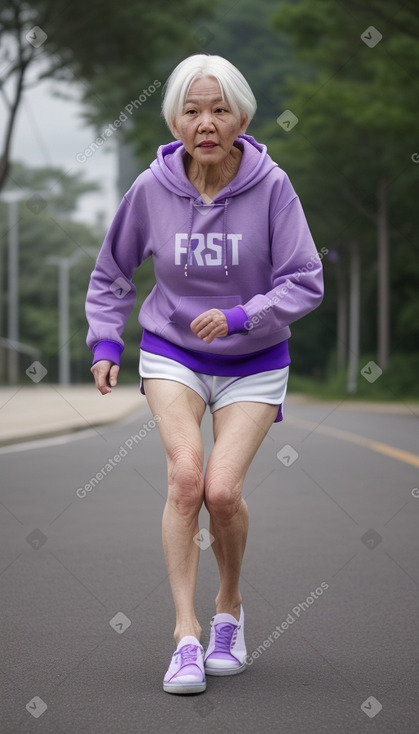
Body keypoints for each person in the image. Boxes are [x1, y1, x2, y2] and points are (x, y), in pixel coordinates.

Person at [85, 54, 324, 695]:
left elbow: (306, 280)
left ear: (241, 117)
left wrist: (246, 315)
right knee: (187, 478)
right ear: (174, 120)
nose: (206, 122)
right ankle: (186, 636)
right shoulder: (152, 188)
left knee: (222, 492)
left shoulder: (273, 186)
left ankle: (230, 611)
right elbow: (112, 271)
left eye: (219, 109)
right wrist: (107, 340)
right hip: (173, 349)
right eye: (192, 111)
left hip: (255, 355)